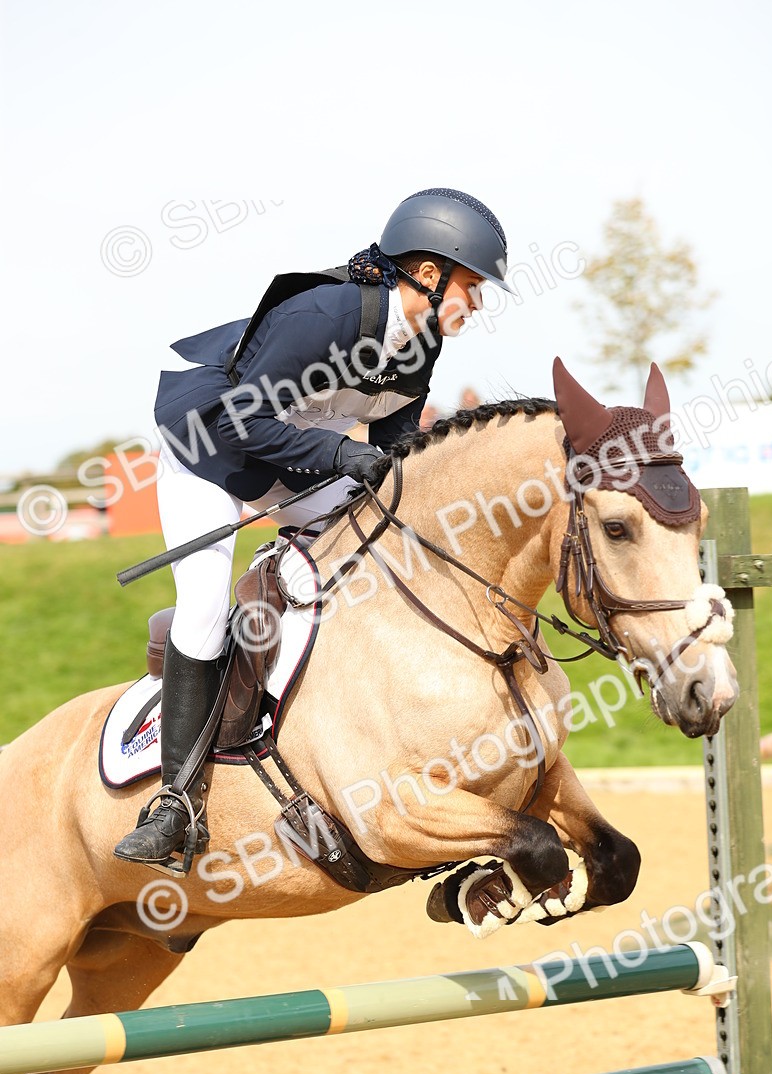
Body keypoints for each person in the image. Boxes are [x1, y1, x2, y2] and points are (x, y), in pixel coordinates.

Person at [113, 187, 510, 872]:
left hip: (296, 454)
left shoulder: (420, 344)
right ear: (426, 272)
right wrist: (342, 456)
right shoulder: (324, 312)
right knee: (207, 608)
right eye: (471, 286)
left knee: (382, 552)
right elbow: (246, 420)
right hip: (213, 454)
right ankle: (176, 804)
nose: (475, 303)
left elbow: (391, 446)